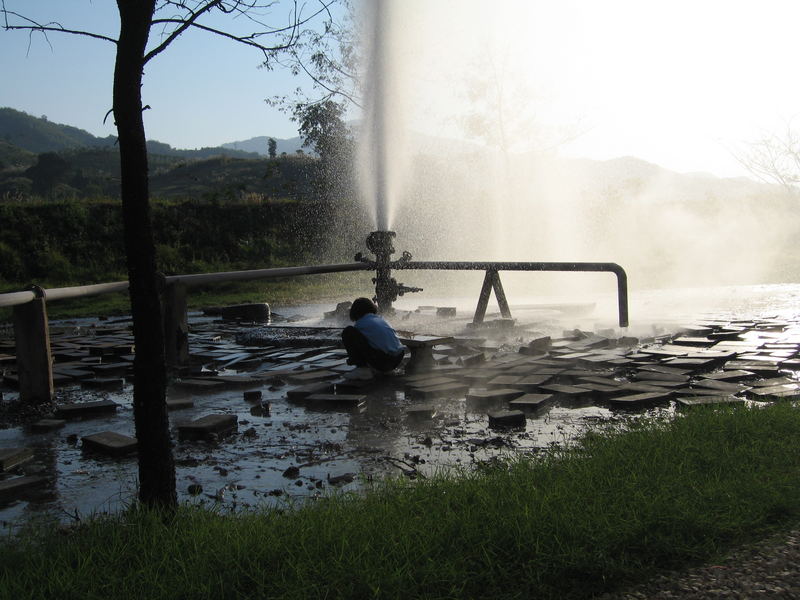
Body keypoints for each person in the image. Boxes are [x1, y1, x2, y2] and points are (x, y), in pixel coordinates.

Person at [342, 297, 405, 379]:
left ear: (355, 311)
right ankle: (386, 370)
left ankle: (362, 370)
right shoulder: (381, 319)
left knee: (348, 332)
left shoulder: (360, 323)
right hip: (398, 358)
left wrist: (353, 359)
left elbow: (359, 346)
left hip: (385, 361)